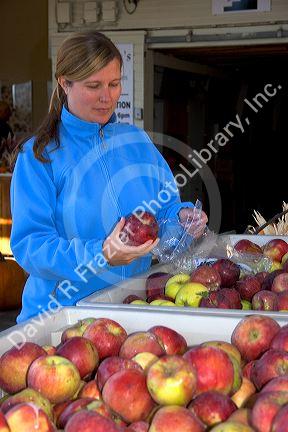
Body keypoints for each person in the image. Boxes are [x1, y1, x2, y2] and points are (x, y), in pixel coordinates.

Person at [10, 31, 208, 323]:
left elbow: (163, 212)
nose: (107, 97)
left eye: (114, 84)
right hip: (59, 318)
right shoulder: (38, 156)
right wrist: (101, 254)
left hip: (130, 310)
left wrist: (181, 219)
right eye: (94, 86)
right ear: (65, 83)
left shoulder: (136, 142)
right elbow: (32, 247)